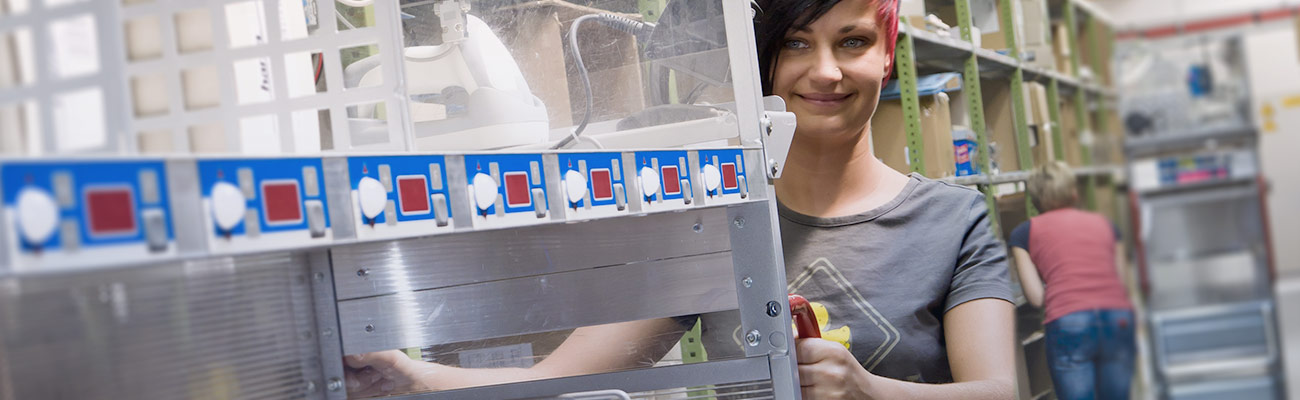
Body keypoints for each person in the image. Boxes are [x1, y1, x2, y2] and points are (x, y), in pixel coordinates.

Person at [345, 1, 1018, 398]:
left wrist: (867, 390)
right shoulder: (721, 223)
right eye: (795, 43)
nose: (825, 71)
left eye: (853, 41)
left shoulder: (954, 220)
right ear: (763, 63)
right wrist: (407, 376)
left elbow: (999, 391)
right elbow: (561, 376)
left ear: (887, 55)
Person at [1007, 161, 1136, 400]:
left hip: (1068, 320)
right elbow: (1124, 282)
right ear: (1074, 192)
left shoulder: (1023, 234)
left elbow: (1036, 297)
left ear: (1034, 199)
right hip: (1116, 317)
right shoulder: (1105, 224)